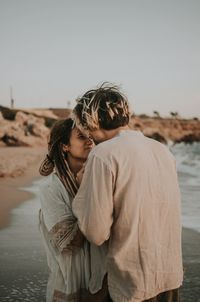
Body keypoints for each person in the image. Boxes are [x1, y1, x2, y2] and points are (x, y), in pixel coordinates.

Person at [72, 84, 183, 302]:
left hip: (131, 280)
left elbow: (96, 232)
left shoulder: (103, 154)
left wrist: (82, 187)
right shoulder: (162, 150)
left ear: (90, 120)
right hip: (169, 273)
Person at [39, 118, 108, 302]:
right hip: (69, 284)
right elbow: (70, 244)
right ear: (65, 147)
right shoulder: (51, 188)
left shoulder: (99, 179)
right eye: (81, 136)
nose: (89, 140)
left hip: (103, 283)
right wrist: (86, 192)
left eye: (90, 135)